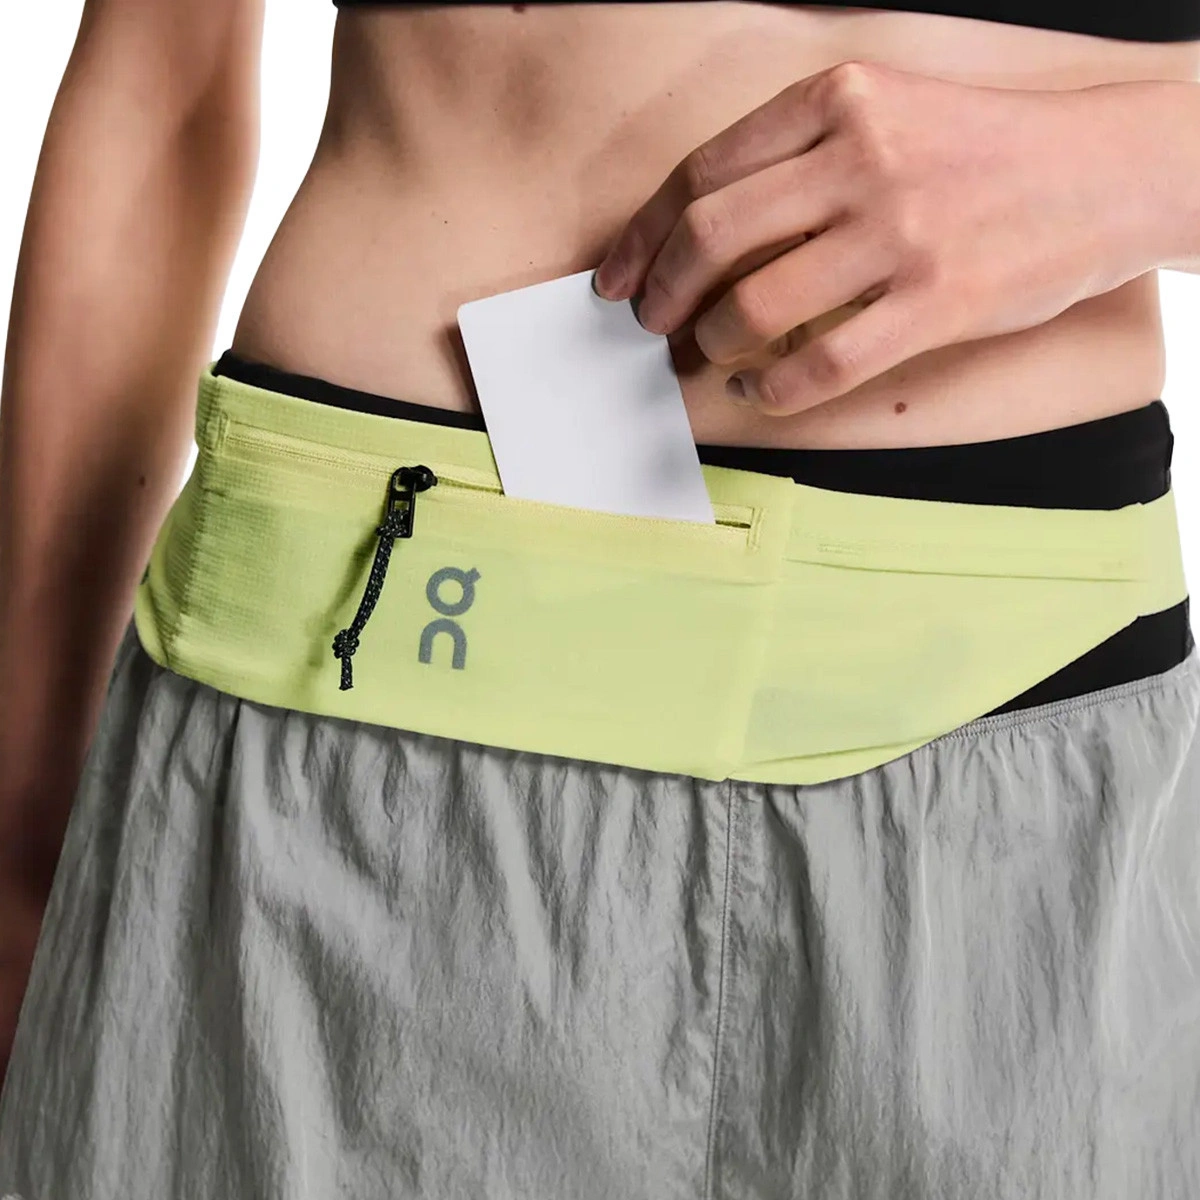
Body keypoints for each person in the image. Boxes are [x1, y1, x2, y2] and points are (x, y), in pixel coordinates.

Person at [1, 0, 1199, 1195]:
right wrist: (24, 801)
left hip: (1025, 754)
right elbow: (161, 78)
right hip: (346, 736)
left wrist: (1137, 169)